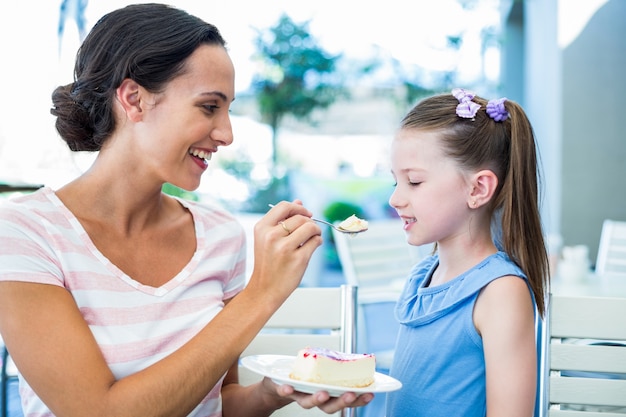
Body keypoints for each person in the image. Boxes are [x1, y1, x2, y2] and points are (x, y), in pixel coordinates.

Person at [0, 4, 372, 416]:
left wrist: (272, 393)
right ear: (134, 99)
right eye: (209, 107)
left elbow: (217, 402)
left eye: (228, 109)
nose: (227, 134)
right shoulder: (25, 233)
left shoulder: (220, 234)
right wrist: (262, 294)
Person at [386, 88, 549, 417]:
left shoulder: (500, 292)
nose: (395, 200)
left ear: (478, 189)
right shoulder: (424, 276)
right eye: (395, 183)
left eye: (414, 182)